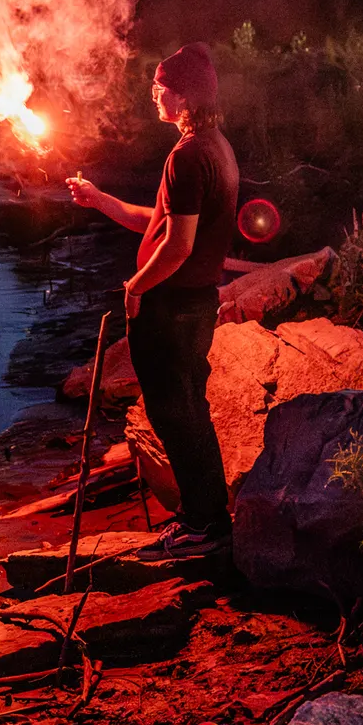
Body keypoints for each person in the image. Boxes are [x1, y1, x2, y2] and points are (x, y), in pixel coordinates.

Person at [65, 43, 239, 560]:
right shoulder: (214, 146)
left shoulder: (189, 157)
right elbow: (162, 221)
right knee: (188, 412)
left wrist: (137, 286)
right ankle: (206, 520)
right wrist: (101, 200)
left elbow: (178, 247)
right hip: (194, 304)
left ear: (183, 96)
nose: (153, 94)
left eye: (160, 87)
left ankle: (204, 526)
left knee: (177, 415)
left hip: (173, 309)